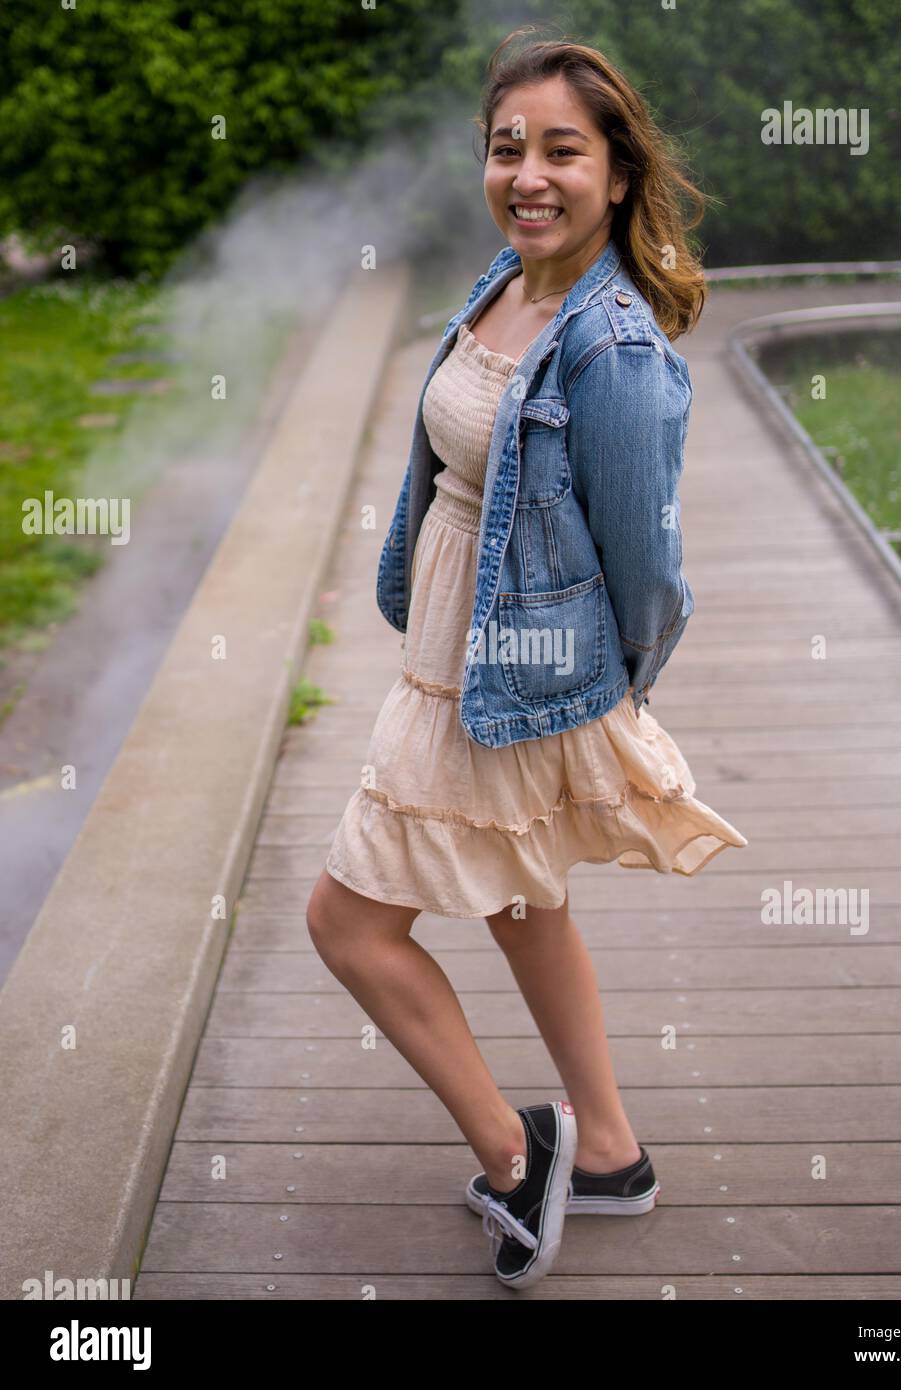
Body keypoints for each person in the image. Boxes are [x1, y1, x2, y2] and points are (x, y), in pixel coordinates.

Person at [306, 30, 748, 1290]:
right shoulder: (508, 277)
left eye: (563, 150)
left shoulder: (614, 350)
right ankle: (608, 1149)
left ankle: (518, 1156)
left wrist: (607, 698)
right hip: (458, 651)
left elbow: (647, 565)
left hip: (515, 669)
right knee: (518, 900)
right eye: (509, 148)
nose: (530, 174)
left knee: (345, 922)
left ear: (618, 173)